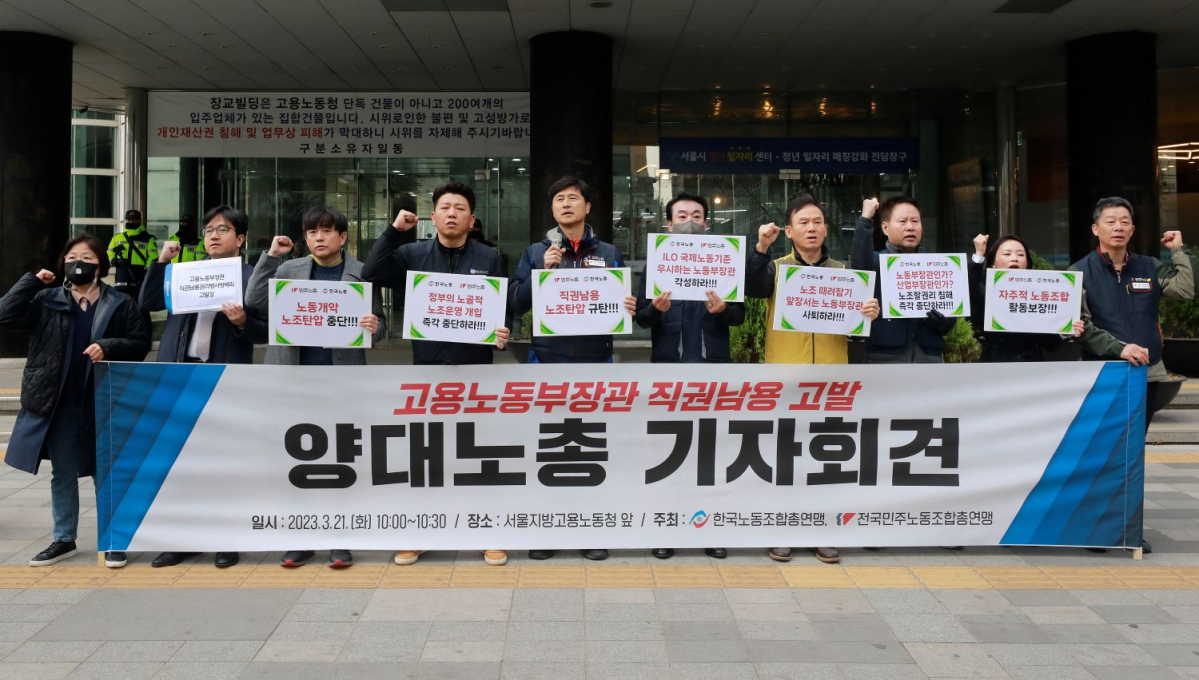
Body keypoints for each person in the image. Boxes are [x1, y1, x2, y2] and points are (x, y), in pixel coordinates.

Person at [361, 181, 511, 568]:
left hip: (476, 370)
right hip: (427, 369)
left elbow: (501, 305)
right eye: (444, 207)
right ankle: (420, 533)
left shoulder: (489, 257)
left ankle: (484, 531)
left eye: (460, 208)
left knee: (476, 453)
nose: (451, 213)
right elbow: (371, 271)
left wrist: (502, 331)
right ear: (433, 216)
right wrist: (395, 229)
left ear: (471, 219)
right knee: (427, 454)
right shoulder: (413, 252)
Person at [245, 205, 387, 569]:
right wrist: (271, 257)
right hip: (293, 380)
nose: (319, 238)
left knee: (339, 461)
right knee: (296, 461)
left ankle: (340, 539)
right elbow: (254, 302)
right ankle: (300, 538)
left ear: (343, 237)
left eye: (326, 231)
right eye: (312, 232)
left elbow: (381, 327)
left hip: (341, 382)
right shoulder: (289, 269)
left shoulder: (361, 273)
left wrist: (374, 326)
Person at [0, 235, 150, 568]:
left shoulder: (120, 302)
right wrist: (30, 281)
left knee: (107, 472)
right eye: (72, 256)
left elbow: (140, 342)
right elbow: (5, 316)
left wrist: (109, 345)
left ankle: (113, 540)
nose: (78, 262)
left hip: (105, 399)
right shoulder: (45, 299)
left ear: (101, 265)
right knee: (63, 472)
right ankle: (63, 539)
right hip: (59, 400)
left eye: (87, 256)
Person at [747, 194, 880, 565]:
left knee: (826, 458)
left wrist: (869, 312)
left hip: (831, 380)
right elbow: (753, 287)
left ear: (826, 229)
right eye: (803, 222)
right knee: (785, 458)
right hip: (785, 377)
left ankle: (823, 531)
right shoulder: (775, 268)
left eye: (818, 221)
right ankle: (783, 530)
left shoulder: (845, 271)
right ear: (789, 231)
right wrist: (761, 247)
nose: (811, 228)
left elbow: (858, 330)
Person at [510, 175, 637, 562]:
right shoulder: (536, 252)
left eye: (573, 198)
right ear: (552, 210)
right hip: (546, 363)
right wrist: (540, 274)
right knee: (547, 449)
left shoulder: (611, 253)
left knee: (591, 450)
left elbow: (624, 304)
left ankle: (591, 530)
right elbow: (515, 303)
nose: (566, 205)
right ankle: (546, 530)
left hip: (594, 363)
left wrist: (628, 307)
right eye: (559, 199)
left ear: (588, 207)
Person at [140, 205, 267, 569]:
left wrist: (243, 321)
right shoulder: (185, 273)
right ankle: (182, 539)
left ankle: (226, 539)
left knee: (224, 462)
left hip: (224, 376)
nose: (213, 235)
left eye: (223, 230)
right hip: (180, 374)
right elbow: (147, 303)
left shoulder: (250, 277)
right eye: (209, 229)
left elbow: (265, 328)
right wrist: (162, 262)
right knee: (181, 461)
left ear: (240, 239)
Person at [1071, 197, 1194, 554]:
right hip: (1104, 373)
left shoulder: (1149, 266)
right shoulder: (1080, 271)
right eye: (1111, 221)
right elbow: (1082, 327)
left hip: (1148, 373)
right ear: (1096, 229)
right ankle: (1096, 528)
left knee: (1131, 454)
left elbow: (1185, 290)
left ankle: (1126, 529)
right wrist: (1118, 348)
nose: (1119, 227)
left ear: (1133, 230)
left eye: (1125, 221)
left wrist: (1179, 251)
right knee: (1102, 452)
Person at [635, 191, 740, 561]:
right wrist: (655, 309)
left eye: (696, 215)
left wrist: (724, 310)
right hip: (668, 369)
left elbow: (739, 316)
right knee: (668, 453)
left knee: (711, 454)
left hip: (713, 368)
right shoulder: (656, 265)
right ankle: (666, 528)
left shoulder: (725, 261)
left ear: (707, 223)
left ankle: (710, 529)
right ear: (668, 224)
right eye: (682, 215)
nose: (690, 221)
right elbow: (640, 319)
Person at [849, 196, 957, 363]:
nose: (910, 227)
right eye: (902, 221)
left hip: (929, 358)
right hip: (884, 357)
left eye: (915, 221)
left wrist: (943, 322)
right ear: (885, 228)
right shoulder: (877, 261)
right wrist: (865, 220)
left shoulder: (936, 267)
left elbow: (951, 318)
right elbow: (859, 265)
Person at [969, 234, 1083, 362]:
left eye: (1021, 255)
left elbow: (1049, 343)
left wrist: (1065, 330)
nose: (1014, 259)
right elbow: (970, 289)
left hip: (1032, 367)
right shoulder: (985, 290)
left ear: (1027, 263)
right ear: (993, 263)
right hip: (997, 365)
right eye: (1007, 254)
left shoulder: (1040, 294)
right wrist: (979, 254)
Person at [107, 209, 158, 300]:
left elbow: (153, 257)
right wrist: (115, 261)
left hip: (139, 276)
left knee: (140, 307)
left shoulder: (148, 238)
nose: (131, 221)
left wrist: (145, 271)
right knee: (121, 306)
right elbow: (109, 253)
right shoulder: (117, 237)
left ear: (140, 221)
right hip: (121, 276)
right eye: (129, 219)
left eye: (134, 219)